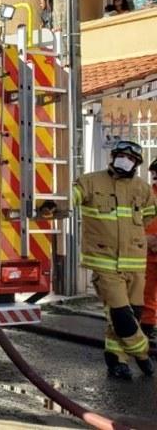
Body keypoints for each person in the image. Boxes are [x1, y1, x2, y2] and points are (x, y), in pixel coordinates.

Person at [74, 140, 156, 379]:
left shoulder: (142, 189)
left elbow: (148, 217)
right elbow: (69, 198)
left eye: (130, 158)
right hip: (105, 263)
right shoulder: (90, 181)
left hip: (135, 265)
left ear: (137, 164)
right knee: (121, 316)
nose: (125, 160)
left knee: (132, 315)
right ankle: (142, 353)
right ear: (113, 156)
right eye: (121, 155)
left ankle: (117, 361)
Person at [144, 159, 157, 348]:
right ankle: (147, 327)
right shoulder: (147, 195)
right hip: (149, 252)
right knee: (147, 293)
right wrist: (147, 239)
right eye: (154, 176)